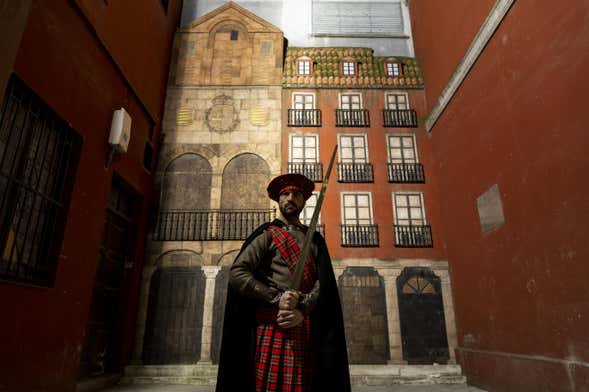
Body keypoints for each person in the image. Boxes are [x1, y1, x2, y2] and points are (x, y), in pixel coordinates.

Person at [215, 173, 350, 392]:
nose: (290, 198)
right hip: (271, 322)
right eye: (285, 194)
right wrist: (276, 298)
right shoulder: (266, 235)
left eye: (295, 194)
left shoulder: (314, 240)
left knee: (305, 385)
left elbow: (322, 284)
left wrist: (303, 309)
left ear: (304, 201)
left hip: (303, 325)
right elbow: (238, 272)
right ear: (278, 200)